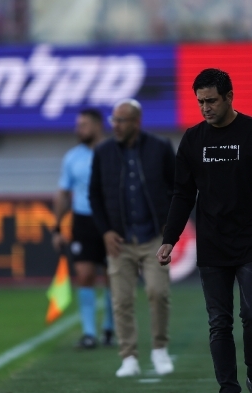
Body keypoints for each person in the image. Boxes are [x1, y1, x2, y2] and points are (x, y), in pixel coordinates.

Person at [156, 68, 252, 393]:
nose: (206, 108)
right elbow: (182, 194)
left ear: (229, 97)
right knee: (219, 322)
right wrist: (169, 239)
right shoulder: (192, 140)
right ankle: (228, 387)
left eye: (212, 100)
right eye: (201, 102)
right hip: (212, 243)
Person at [89, 99, 176, 377]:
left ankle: (160, 349)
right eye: (113, 120)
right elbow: (94, 195)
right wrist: (105, 231)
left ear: (136, 122)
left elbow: (178, 187)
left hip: (154, 236)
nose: (115, 125)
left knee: (158, 293)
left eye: (121, 120)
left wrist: (170, 225)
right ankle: (128, 357)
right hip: (119, 239)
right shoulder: (103, 152)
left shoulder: (160, 147)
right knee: (121, 300)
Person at [52, 108, 114, 349]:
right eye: (78, 125)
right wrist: (57, 228)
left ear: (98, 125)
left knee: (112, 276)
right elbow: (63, 193)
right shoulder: (72, 157)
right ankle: (89, 333)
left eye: (84, 125)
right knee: (84, 274)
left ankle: (109, 327)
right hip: (83, 221)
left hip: (110, 220)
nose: (79, 130)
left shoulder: (113, 151)